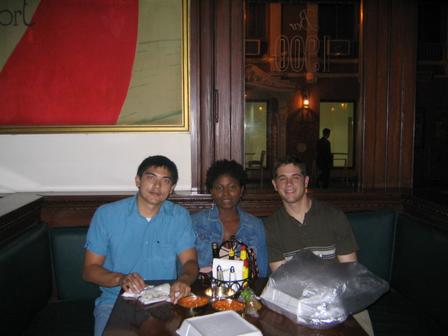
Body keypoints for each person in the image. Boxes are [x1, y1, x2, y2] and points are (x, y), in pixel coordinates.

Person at [83, 155, 198, 336]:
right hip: (115, 302)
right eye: (151, 177)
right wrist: (121, 279)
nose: (157, 186)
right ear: (138, 180)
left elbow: (190, 262)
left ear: (172, 188)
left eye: (165, 181)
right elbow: (89, 270)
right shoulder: (107, 215)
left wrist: (184, 280)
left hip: (164, 303)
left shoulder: (179, 216)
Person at [265, 156, 373, 336]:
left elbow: (349, 271)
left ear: (306, 181)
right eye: (282, 178)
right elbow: (285, 281)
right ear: (275, 185)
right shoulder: (271, 227)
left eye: (295, 177)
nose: (289, 183)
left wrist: (329, 303)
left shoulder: (334, 216)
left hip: (340, 299)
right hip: (297, 303)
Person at [191, 159, 268, 277]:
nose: (226, 193)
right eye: (219, 188)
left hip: (245, 292)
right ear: (211, 191)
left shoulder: (255, 225)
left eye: (232, 187)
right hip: (203, 291)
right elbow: (184, 268)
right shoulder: (195, 223)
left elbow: (261, 272)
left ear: (241, 190)